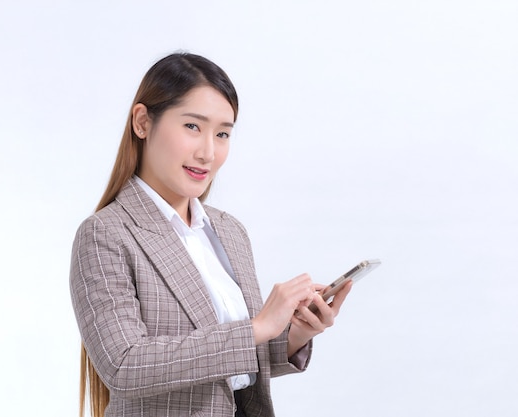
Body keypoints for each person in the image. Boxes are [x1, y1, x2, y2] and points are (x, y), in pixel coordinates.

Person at [69, 52, 352, 417]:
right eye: (192, 127)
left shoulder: (229, 231)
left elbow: (235, 369)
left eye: (222, 134)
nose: (207, 152)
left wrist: (293, 333)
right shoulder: (106, 234)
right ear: (142, 122)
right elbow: (124, 365)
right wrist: (257, 326)